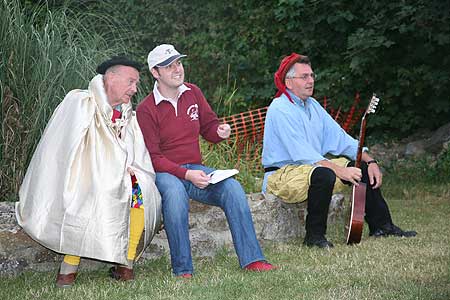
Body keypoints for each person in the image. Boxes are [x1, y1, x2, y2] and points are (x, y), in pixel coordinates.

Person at [16, 56, 162, 287]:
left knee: (142, 188)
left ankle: (126, 263)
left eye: (136, 84)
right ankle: (68, 268)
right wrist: (101, 169)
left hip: (121, 176)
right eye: (131, 82)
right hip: (84, 175)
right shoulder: (80, 101)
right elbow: (63, 146)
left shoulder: (127, 114)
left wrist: (126, 168)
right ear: (111, 78)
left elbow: (136, 152)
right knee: (91, 191)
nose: (135, 89)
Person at [136, 44, 277, 277]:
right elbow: (153, 158)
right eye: (168, 66)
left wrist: (220, 131)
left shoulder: (193, 92)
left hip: (195, 170)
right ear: (155, 72)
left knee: (232, 188)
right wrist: (186, 175)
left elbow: (209, 127)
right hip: (165, 174)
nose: (177, 69)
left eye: (178, 63)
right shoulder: (146, 109)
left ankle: (253, 259)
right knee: (175, 194)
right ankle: (183, 270)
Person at [262, 53, 417, 248]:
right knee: (324, 174)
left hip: (309, 167)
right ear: (289, 82)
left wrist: (370, 161)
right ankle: (314, 237)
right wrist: (340, 171)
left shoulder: (312, 106)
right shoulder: (280, 109)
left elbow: (341, 139)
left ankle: (382, 226)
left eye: (312, 76)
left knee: (358, 165)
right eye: (304, 77)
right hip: (281, 174)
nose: (311, 81)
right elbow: (302, 155)